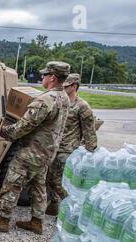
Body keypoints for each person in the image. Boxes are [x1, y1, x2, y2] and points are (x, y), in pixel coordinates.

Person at [0, 61, 71, 234]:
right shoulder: (64, 97)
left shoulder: (45, 100)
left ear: (52, 78)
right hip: (47, 152)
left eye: (44, 75)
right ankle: (37, 222)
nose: (42, 77)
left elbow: (24, 126)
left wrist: (3, 131)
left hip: (32, 151)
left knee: (11, 182)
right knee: (37, 186)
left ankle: (3, 220)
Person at [45, 73, 98, 215]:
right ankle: (55, 204)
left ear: (74, 86)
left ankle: (71, 209)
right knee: (48, 178)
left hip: (67, 150)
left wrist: (90, 153)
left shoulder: (82, 106)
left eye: (66, 86)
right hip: (53, 147)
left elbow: (89, 131)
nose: (63, 88)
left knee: (58, 181)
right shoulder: (60, 101)